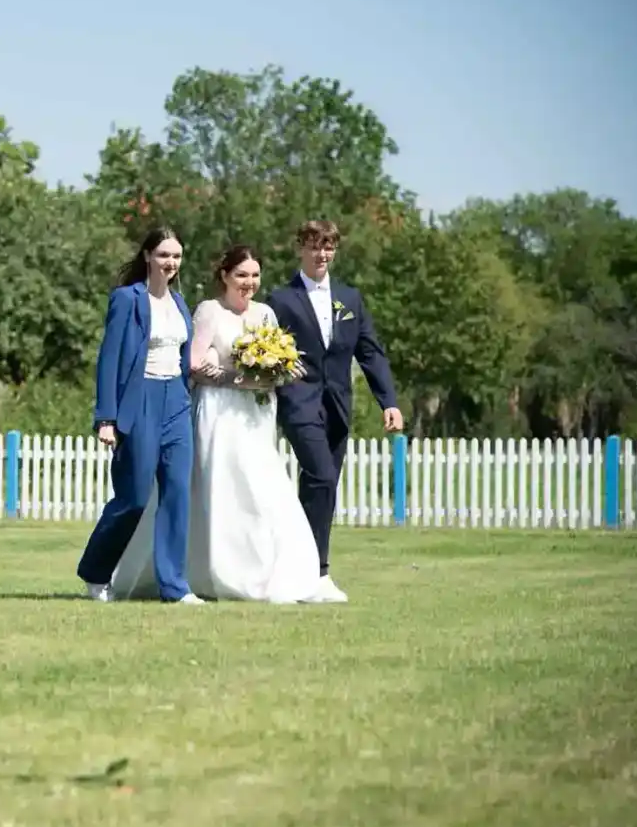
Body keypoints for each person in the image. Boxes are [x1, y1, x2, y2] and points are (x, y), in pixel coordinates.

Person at [265, 220, 404, 603]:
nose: (322, 254)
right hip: (297, 403)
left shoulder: (350, 299)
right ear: (300, 249)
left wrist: (388, 401)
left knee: (320, 486)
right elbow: (266, 349)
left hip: (339, 406)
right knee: (322, 476)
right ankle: (317, 572)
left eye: (328, 247)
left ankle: (309, 571)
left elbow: (370, 352)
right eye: (314, 246)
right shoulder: (281, 300)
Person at [184, 246, 323, 603]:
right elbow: (195, 365)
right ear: (225, 276)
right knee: (224, 487)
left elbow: (278, 361)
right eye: (242, 275)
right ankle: (217, 572)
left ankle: (268, 570)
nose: (249, 283)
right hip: (219, 411)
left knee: (261, 488)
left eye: (255, 275)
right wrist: (235, 379)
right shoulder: (210, 311)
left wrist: (282, 371)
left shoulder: (265, 313)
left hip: (258, 413)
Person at [76, 227, 204, 604]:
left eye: (177, 256)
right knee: (132, 497)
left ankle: (174, 586)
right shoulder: (127, 299)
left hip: (176, 403)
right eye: (164, 255)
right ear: (148, 256)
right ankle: (96, 574)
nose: (171, 263)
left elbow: (183, 359)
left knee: (178, 493)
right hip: (140, 400)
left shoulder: (180, 303)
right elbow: (109, 358)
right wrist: (106, 417)